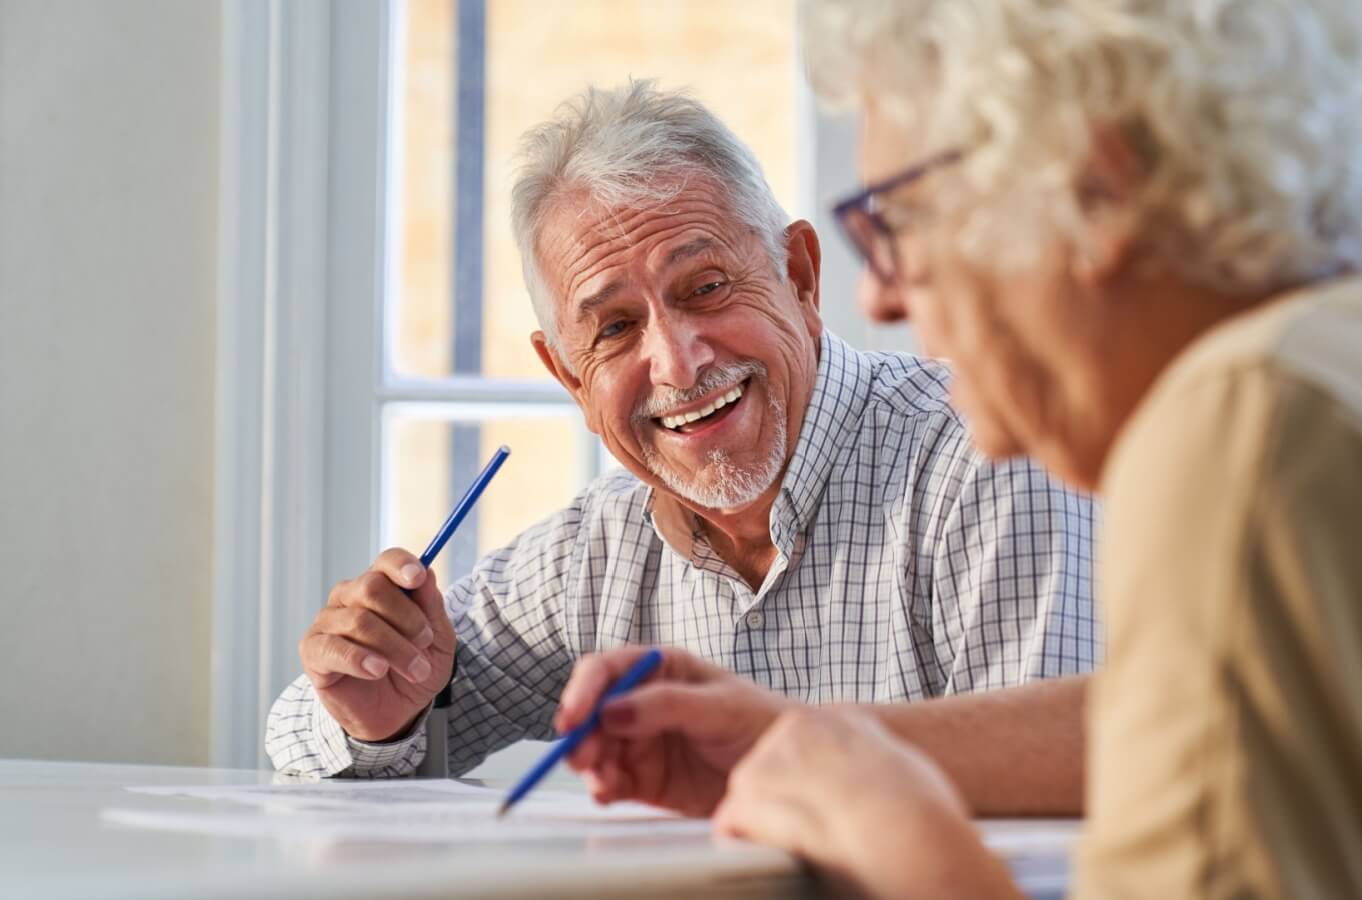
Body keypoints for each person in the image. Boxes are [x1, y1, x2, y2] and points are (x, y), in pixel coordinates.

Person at [555, 2, 1362, 900]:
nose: (879, 298)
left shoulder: (1256, 419)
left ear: (1086, 189)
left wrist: (887, 829)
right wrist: (809, 740)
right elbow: (1205, 725)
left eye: (894, 221)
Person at [265, 81, 1098, 780]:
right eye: (616, 328)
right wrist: (377, 713)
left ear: (800, 278)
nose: (676, 361)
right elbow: (299, 733)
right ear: (569, 379)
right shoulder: (595, 552)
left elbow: (1058, 806)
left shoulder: (985, 457)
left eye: (704, 288)